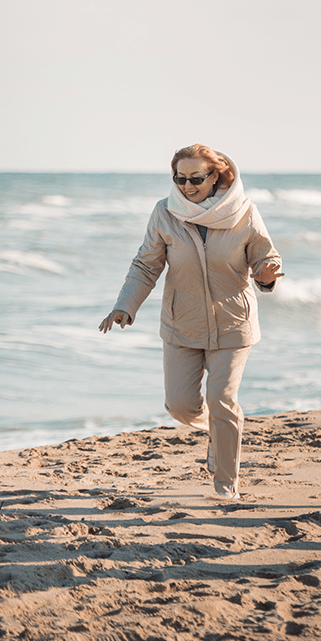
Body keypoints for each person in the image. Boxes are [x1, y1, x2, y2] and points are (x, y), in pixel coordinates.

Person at [99, 144, 282, 501]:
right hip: (181, 323)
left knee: (222, 399)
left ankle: (226, 486)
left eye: (195, 178)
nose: (186, 185)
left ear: (216, 176)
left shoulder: (244, 211)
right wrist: (125, 305)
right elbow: (146, 265)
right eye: (179, 178)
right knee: (180, 405)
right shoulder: (165, 213)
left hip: (233, 323)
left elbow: (265, 257)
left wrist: (266, 274)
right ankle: (215, 430)